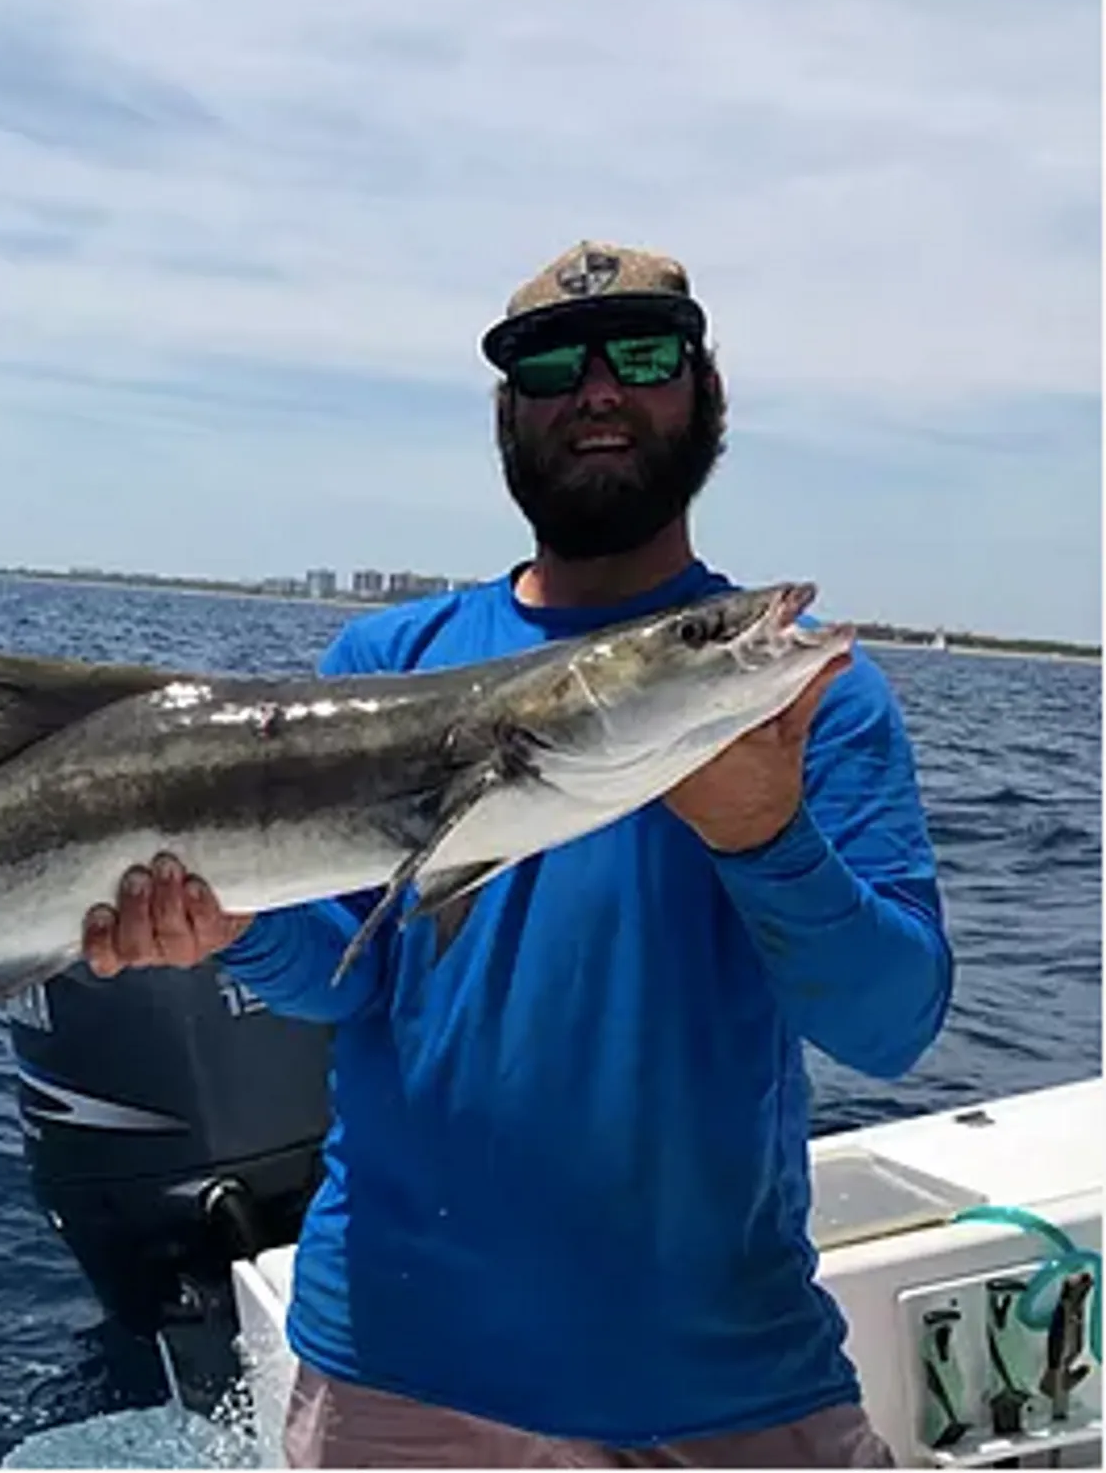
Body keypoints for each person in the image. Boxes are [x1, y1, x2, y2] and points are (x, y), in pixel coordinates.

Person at [79, 240, 954, 1468]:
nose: (598, 391)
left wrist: (765, 835)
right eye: (552, 366)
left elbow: (891, 1025)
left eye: (643, 355)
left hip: (724, 1377)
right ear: (508, 412)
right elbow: (351, 980)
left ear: (706, 391)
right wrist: (235, 927)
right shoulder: (387, 666)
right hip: (399, 1373)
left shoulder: (806, 698)